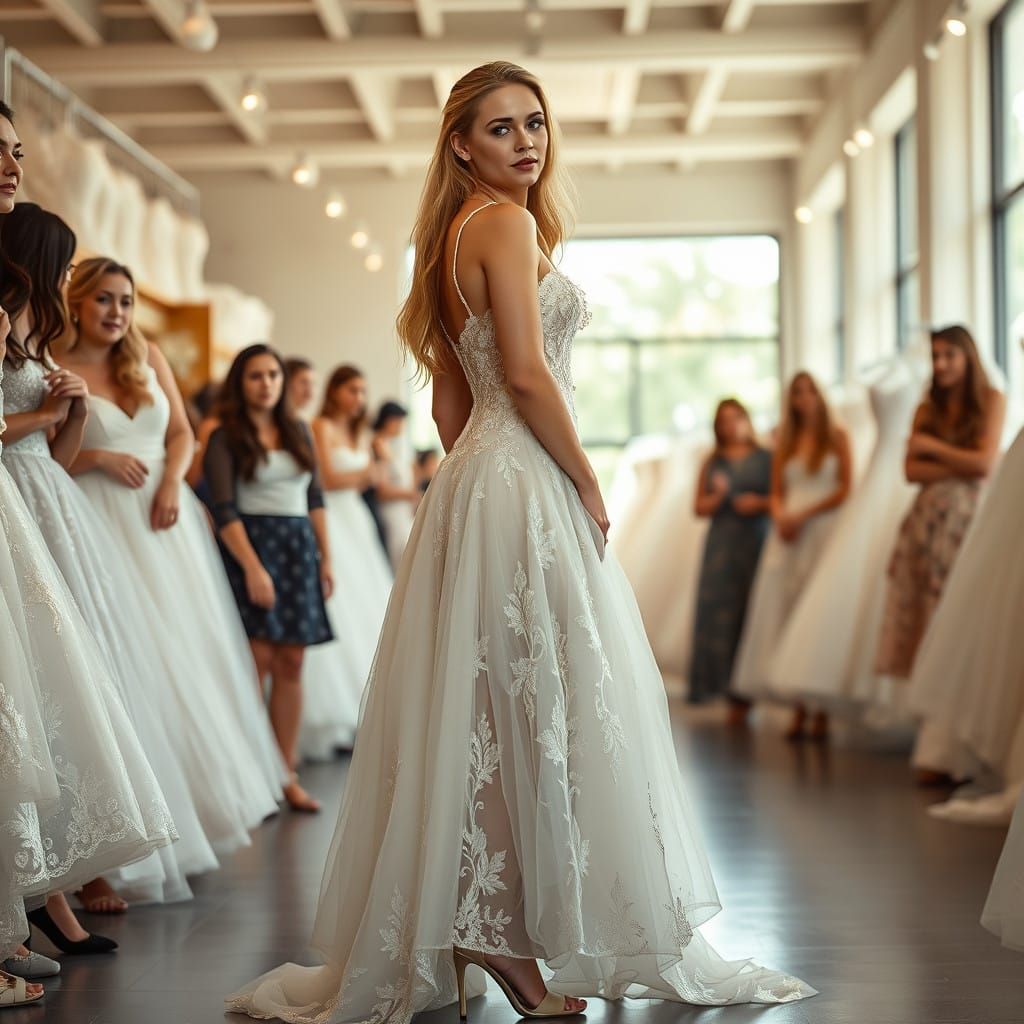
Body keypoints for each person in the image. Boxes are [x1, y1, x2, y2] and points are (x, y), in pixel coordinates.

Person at [227, 60, 813, 1024]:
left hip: (481, 479)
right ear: (460, 143)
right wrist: (580, 478)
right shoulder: (500, 224)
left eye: (535, 123)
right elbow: (532, 379)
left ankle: (485, 925)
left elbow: (456, 402)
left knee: (495, 710)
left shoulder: (448, 237)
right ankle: (499, 933)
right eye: (501, 129)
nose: (526, 142)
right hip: (522, 472)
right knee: (539, 703)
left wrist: (481, 491)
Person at [1, 202, 223, 913]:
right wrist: (66, 428)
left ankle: (102, 849)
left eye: (126, 300)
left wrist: (71, 419)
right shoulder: (29, 335)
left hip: (108, 511)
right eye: (92, 287)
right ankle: (63, 878)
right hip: (62, 504)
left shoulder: (54, 343)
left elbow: (169, 435)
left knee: (137, 663)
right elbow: (50, 450)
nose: (117, 310)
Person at [61, 258, 288, 818]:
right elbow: (42, 460)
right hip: (98, 515)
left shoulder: (148, 357)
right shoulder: (55, 366)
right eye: (105, 300)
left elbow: (182, 433)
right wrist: (96, 457)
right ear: (76, 303)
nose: (118, 312)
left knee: (184, 653)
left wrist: (170, 483)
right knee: (124, 655)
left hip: (165, 518)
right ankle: (131, 812)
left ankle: (193, 804)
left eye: (126, 301)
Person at [205, 344, 334, 811]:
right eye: (256, 376)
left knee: (292, 663)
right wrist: (253, 568)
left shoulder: (299, 430)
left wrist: (326, 559)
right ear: (241, 382)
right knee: (254, 664)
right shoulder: (225, 436)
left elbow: (315, 498)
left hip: (298, 549)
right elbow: (223, 508)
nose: (267, 384)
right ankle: (246, 777)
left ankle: (285, 773)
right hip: (251, 548)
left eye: (273, 375)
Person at [875, 325, 1004, 785]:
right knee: (926, 624)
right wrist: (952, 458)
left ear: (968, 356)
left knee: (960, 622)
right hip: (926, 525)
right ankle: (934, 737)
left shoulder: (991, 399)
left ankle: (961, 738)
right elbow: (911, 471)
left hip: (966, 523)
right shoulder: (927, 407)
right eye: (936, 356)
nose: (943, 364)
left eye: (950, 355)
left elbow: (985, 465)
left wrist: (933, 449)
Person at [731, 372, 852, 740]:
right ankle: (799, 707)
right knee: (788, 610)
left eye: (810, 391)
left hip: (823, 529)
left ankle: (823, 711)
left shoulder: (838, 436)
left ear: (820, 395)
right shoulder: (786, 439)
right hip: (788, 534)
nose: (804, 399)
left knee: (820, 614)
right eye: (797, 393)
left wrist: (803, 515)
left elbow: (845, 487)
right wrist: (781, 514)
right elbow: (778, 490)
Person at [301, 364, 393, 759]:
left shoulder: (362, 433)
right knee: (340, 604)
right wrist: (367, 472)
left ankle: (371, 710)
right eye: (352, 390)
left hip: (356, 520)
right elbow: (322, 480)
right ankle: (336, 713)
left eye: (362, 391)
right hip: (333, 519)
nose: (359, 398)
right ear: (335, 390)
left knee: (368, 604)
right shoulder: (319, 426)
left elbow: (382, 478)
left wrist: (376, 466)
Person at [688, 399, 772, 720]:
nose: (730, 425)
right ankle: (727, 690)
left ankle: (751, 689)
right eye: (723, 420)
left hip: (757, 540)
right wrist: (719, 496)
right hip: (722, 544)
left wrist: (761, 504)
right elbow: (698, 509)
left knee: (754, 609)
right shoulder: (713, 461)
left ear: (746, 419)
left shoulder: (767, 458)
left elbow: (781, 496)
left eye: (735, 418)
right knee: (720, 613)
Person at [370, 399, 419, 569]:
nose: (401, 426)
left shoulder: (402, 444)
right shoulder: (377, 444)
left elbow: (411, 475)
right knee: (398, 553)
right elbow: (381, 490)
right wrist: (411, 495)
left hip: (404, 509)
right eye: (399, 421)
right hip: (390, 509)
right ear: (389, 420)